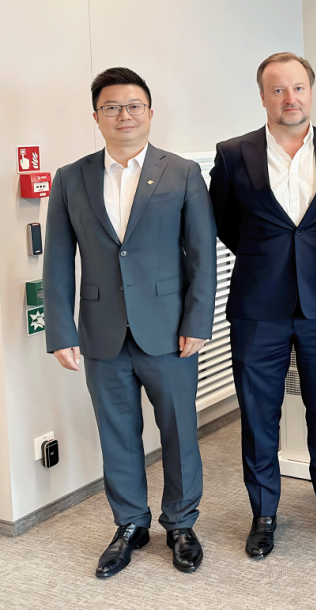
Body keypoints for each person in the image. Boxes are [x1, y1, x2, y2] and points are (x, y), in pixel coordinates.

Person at [43, 67, 216, 577]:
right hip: (101, 331)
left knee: (180, 430)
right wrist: (61, 330)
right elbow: (57, 260)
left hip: (169, 329)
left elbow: (202, 253)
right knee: (117, 433)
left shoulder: (182, 172)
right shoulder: (70, 177)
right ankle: (130, 524)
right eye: (112, 107)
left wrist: (198, 320)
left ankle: (181, 524)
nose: (124, 115)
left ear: (150, 112)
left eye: (134, 105)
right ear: (96, 116)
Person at [209, 52, 316, 559]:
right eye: (277, 89)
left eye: (298, 87)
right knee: (259, 415)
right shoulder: (233, 153)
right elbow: (223, 222)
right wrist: (268, 258)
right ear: (262, 97)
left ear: (311, 92)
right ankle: (264, 513)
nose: (289, 98)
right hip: (258, 305)